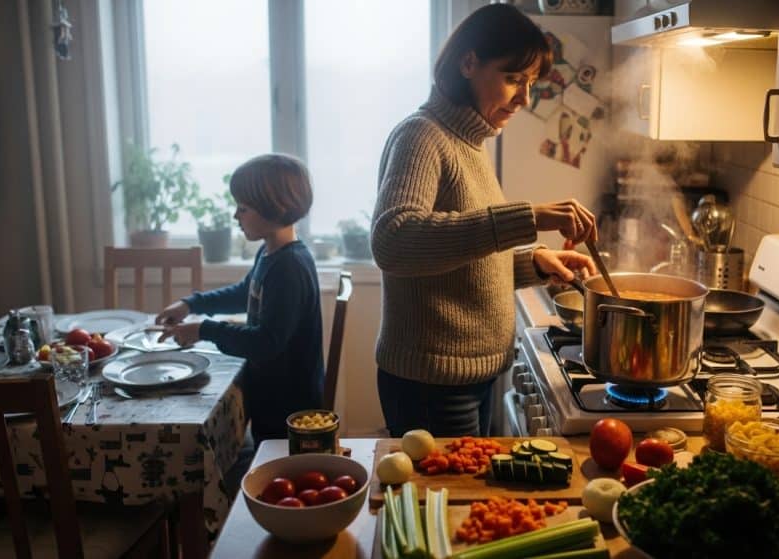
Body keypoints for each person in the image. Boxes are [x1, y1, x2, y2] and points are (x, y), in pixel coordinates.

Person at [371, 3, 598, 438]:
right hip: (435, 383)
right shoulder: (423, 135)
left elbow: (461, 261)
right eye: (513, 79)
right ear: (468, 63)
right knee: (449, 502)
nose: (525, 98)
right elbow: (394, 242)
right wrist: (529, 216)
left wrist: (533, 263)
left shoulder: (469, 142)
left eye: (530, 83)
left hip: (469, 375)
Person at [156, 153, 324, 443]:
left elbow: (265, 343)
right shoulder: (271, 253)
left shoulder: (289, 267)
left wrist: (203, 330)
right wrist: (191, 305)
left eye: (243, 208)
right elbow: (245, 293)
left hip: (286, 411)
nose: (236, 216)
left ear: (274, 208)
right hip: (271, 397)